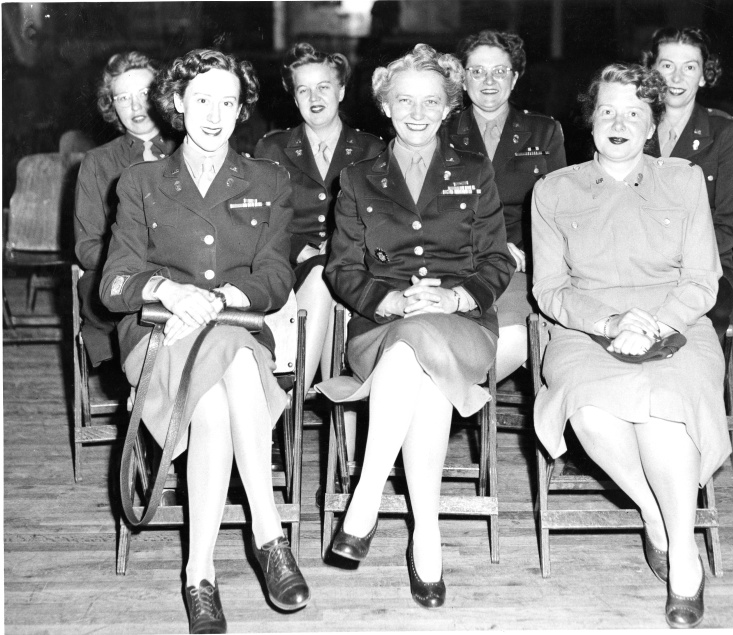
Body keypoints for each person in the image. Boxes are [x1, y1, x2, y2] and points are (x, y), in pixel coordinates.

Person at [100, 49, 309, 634]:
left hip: (235, 326)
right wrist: (166, 289)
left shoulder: (268, 180)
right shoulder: (141, 182)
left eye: (227, 102)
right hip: (160, 333)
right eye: (201, 100)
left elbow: (276, 275)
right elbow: (114, 283)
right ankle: (269, 536)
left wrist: (220, 300)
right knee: (225, 376)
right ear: (176, 103)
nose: (214, 115)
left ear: (241, 110)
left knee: (221, 388)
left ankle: (199, 575)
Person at [530, 63, 731, 629]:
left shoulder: (683, 180)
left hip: (678, 324)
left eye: (634, 113)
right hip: (585, 329)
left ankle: (683, 556)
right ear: (590, 120)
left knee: (665, 414)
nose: (619, 123)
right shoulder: (554, 191)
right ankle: (655, 514)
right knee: (592, 412)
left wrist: (653, 323)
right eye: (607, 111)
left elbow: (702, 281)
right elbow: (550, 289)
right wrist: (611, 321)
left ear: (652, 124)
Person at [316, 43, 514, 609]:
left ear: (450, 107)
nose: (418, 112)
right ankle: (427, 535)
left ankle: (366, 497)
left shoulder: (474, 172)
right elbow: (341, 269)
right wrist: (390, 302)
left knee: (415, 351)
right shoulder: (358, 178)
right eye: (404, 100)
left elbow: (496, 261)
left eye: (431, 101)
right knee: (412, 362)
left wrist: (455, 297)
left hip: (461, 325)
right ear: (385, 105)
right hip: (381, 329)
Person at [254, 43, 384, 404]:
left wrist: (340, 248)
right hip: (293, 267)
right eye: (303, 89)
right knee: (322, 273)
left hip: (356, 265)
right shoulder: (272, 149)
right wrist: (302, 250)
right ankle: (303, 403)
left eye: (324, 87)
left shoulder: (372, 149)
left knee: (329, 272)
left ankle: (290, 405)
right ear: (293, 97)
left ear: (341, 91)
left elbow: (382, 222)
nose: (314, 98)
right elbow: (261, 221)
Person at [448, 30, 566, 381]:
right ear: (462, 78)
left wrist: (530, 255)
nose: (488, 81)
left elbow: (559, 213)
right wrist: (491, 246)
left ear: (514, 79)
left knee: (517, 338)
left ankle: (450, 395)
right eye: (477, 71)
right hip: (458, 261)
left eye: (499, 71)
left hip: (522, 266)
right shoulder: (440, 131)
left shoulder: (544, 132)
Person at [642, 27, 733, 339]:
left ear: (703, 76)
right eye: (667, 65)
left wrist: (675, 261)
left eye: (689, 67)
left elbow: (727, 225)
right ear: (651, 71)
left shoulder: (724, 132)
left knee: (702, 323)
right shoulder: (631, 126)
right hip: (639, 263)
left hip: (706, 267)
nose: (677, 77)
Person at [74, 51, 176, 366]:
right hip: (116, 278)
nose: (135, 106)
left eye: (144, 93)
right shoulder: (97, 162)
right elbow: (87, 246)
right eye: (122, 97)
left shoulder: (189, 149)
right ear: (111, 105)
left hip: (182, 274)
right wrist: (137, 265)